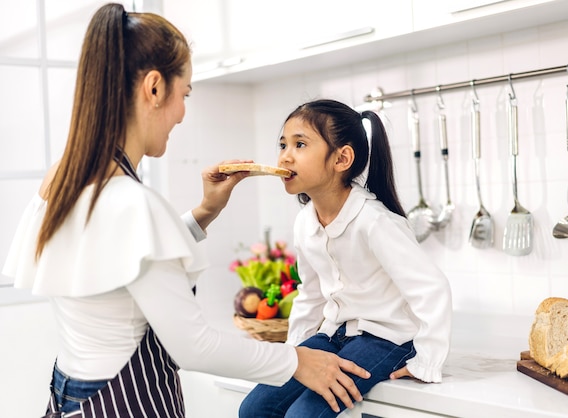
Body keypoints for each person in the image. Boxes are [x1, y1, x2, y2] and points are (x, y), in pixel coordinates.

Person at [1, 5, 370, 417]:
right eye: (185, 94)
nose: (182, 113)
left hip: (70, 401)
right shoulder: (133, 202)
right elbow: (195, 346)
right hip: (126, 405)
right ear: (155, 88)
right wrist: (298, 362)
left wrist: (204, 212)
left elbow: (121, 265)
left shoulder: (63, 178)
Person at [239, 99, 453, 418]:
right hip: (332, 334)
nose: (285, 155)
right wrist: (294, 354)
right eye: (282, 144)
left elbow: (431, 289)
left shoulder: (374, 221)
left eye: (300, 144)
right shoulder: (305, 222)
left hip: (386, 339)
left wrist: (427, 361)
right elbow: (310, 295)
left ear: (342, 158)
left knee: (303, 415)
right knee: (255, 408)